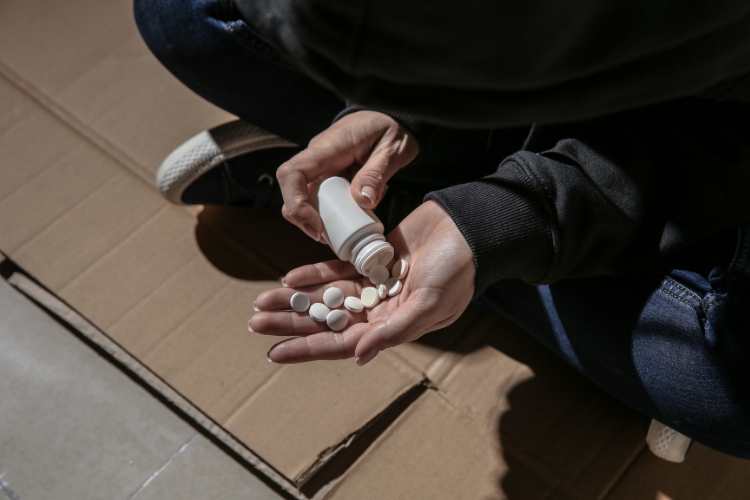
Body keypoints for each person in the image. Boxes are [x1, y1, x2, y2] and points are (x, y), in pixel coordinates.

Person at [134, 0, 750, 458]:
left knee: (730, 397)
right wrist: (394, 111)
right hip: (550, 100)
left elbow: (714, 148)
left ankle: (438, 213)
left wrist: (508, 220)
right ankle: (448, 204)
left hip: (702, 162)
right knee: (180, 16)